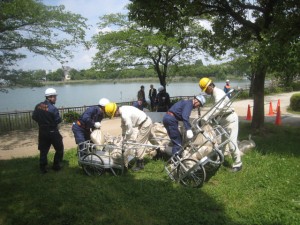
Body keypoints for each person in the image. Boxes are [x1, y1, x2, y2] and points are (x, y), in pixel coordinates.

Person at [199, 77, 242, 172]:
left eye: (206, 89)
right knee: (223, 142)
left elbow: (217, 108)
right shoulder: (214, 93)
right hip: (224, 119)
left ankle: (238, 165)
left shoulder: (218, 93)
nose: (205, 92)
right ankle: (219, 160)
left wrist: (206, 118)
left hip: (230, 119)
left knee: (231, 143)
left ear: (210, 85)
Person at [104, 102, 152, 171]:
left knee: (139, 144)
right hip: (143, 122)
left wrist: (125, 141)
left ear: (116, 111)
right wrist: (123, 136)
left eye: (114, 114)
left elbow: (130, 130)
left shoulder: (124, 115)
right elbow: (123, 126)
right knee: (140, 142)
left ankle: (140, 165)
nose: (115, 116)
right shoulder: (123, 109)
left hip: (145, 123)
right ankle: (140, 161)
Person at [32, 88, 64, 173]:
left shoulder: (38, 106)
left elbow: (34, 117)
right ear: (51, 97)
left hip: (42, 131)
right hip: (53, 132)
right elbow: (58, 120)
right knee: (59, 148)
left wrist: (42, 122)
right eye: (55, 97)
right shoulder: (53, 109)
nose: (56, 99)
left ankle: (43, 168)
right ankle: (56, 166)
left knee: (43, 150)